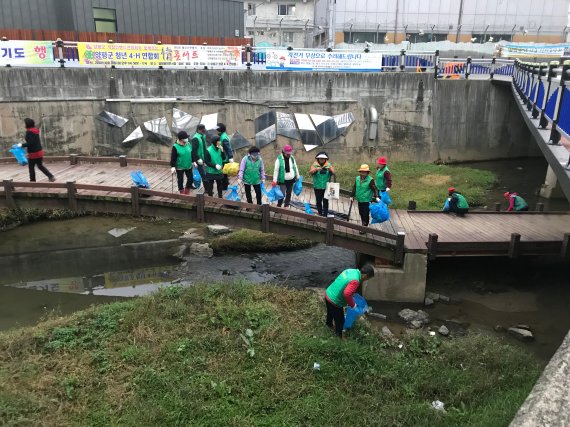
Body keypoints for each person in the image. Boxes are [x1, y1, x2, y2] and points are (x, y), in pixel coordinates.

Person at [325, 264, 375, 338]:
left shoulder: (351, 271)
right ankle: (338, 338)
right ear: (365, 276)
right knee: (340, 321)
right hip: (335, 301)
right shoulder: (356, 281)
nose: (365, 280)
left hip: (328, 293)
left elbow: (343, 283)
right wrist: (353, 305)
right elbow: (347, 294)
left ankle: (328, 324)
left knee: (330, 312)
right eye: (367, 279)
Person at [17, 118, 55, 182]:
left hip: (33, 153)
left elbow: (30, 143)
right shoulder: (35, 130)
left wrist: (21, 145)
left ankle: (32, 181)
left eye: (24, 123)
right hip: (39, 151)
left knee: (31, 167)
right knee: (40, 166)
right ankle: (50, 176)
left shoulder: (29, 132)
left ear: (27, 124)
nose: (24, 124)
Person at [351, 164, 379, 231]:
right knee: (361, 213)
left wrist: (377, 196)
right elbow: (355, 187)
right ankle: (363, 224)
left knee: (365, 213)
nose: (363, 173)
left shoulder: (370, 180)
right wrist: (352, 195)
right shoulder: (357, 178)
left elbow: (375, 189)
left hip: (367, 200)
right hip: (360, 199)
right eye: (361, 171)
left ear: (367, 172)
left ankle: (364, 227)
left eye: (364, 172)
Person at [310, 151, 335, 217]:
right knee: (318, 201)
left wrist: (330, 169)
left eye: (323, 158)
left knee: (325, 201)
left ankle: (325, 214)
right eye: (320, 158)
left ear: (326, 159)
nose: (322, 159)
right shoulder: (314, 165)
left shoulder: (329, 165)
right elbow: (311, 172)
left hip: (326, 187)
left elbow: (333, 172)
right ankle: (320, 213)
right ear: (318, 159)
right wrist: (316, 169)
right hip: (317, 187)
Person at [217, 123, 234, 191]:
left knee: (224, 173)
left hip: (225, 158)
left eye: (217, 130)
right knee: (224, 173)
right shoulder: (223, 135)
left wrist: (230, 157)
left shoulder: (223, 138)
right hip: (224, 157)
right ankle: (225, 184)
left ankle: (224, 187)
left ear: (219, 130)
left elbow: (228, 148)